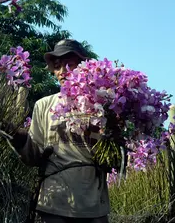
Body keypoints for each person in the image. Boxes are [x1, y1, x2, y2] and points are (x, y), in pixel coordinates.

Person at [8, 39, 110, 223]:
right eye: (57, 66)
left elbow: (108, 156)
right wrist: (16, 138)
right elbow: (34, 155)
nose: (63, 71)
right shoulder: (44, 105)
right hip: (54, 200)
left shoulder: (99, 104)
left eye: (70, 64)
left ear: (83, 68)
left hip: (93, 201)